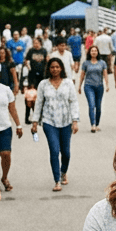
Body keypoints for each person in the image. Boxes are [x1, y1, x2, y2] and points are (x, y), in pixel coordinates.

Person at [31, 57, 80, 192]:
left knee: (66, 152)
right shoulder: (43, 84)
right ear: (48, 69)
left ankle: (63, 171)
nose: (55, 69)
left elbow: (73, 101)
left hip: (66, 121)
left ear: (62, 68)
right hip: (49, 121)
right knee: (54, 150)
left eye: (57, 67)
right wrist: (35, 122)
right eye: (52, 67)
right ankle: (57, 180)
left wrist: (75, 120)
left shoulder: (68, 83)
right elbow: (39, 103)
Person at [80, 44, 108, 133]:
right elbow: (82, 75)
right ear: (90, 52)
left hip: (99, 86)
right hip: (88, 86)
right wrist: (79, 86)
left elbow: (105, 74)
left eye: (95, 51)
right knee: (91, 105)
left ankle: (97, 124)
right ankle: (92, 125)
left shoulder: (102, 63)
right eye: (92, 51)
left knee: (98, 106)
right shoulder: (86, 63)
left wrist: (107, 85)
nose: (94, 52)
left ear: (97, 52)